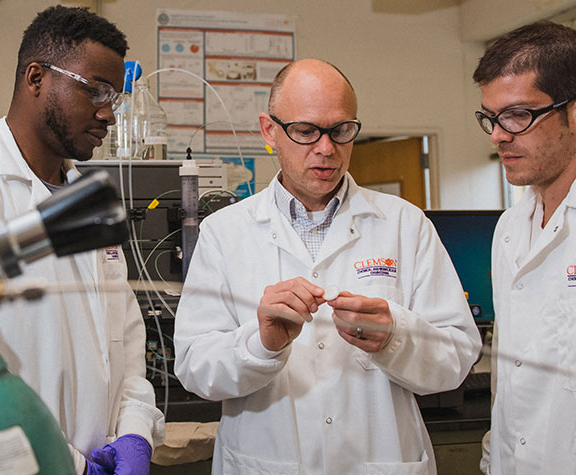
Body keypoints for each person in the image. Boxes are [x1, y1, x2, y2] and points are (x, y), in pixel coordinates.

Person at [173, 58, 481, 474]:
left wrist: (394, 336)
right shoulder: (224, 232)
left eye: (341, 131)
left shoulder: (405, 224)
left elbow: (457, 358)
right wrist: (260, 344)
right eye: (305, 131)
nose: (326, 148)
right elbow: (195, 368)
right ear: (270, 131)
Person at [0, 6, 164, 475]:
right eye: (95, 90)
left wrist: (136, 431)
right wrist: (70, 464)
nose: (108, 114)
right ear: (36, 77)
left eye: (114, 97)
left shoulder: (87, 201)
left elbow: (125, 338)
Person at [473, 21, 576, 474]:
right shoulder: (510, 228)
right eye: (490, 118)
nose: (498, 135)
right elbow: (512, 381)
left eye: (517, 116)